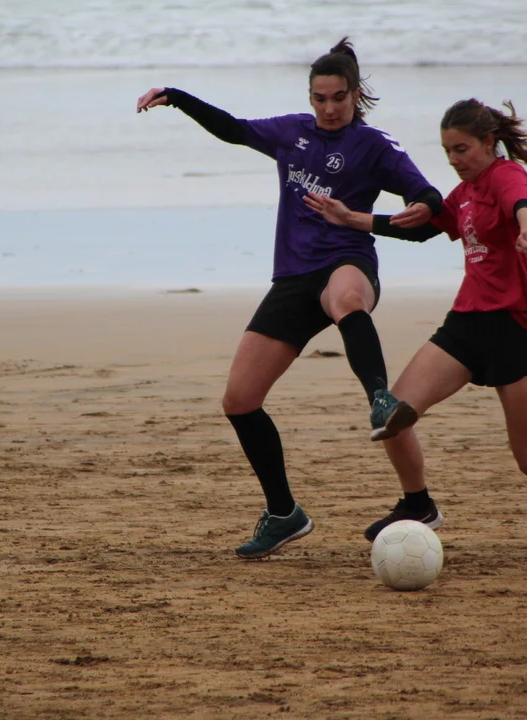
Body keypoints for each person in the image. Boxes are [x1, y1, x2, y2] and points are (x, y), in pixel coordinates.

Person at [136, 38, 442, 559]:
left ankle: (380, 399)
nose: (329, 108)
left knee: (347, 300)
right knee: (239, 400)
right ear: (309, 97)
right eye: (320, 98)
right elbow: (233, 129)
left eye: (339, 98)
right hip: (293, 278)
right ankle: (284, 513)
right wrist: (178, 97)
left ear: (355, 95)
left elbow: (428, 203)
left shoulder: (375, 145)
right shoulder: (291, 132)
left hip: (347, 261)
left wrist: (400, 213)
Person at [305, 98, 527, 563]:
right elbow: (418, 227)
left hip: (517, 328)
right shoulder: (463, 193)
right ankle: (418, 504)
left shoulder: (507, 176)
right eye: (447, 151)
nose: (454, 160)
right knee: (392, 414)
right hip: (466, 323)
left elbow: (524, 205)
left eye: (461, 149)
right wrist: (351, 219)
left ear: (488, 142)